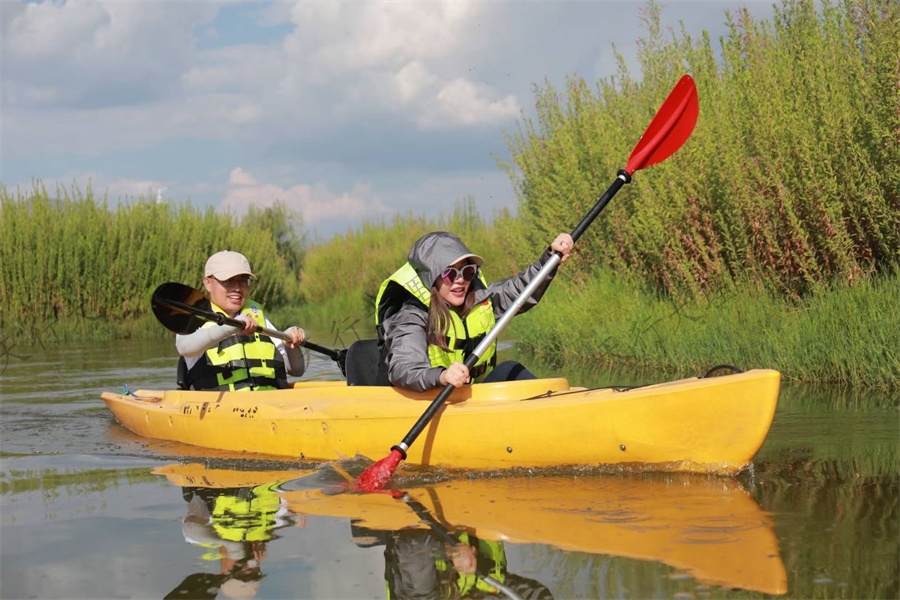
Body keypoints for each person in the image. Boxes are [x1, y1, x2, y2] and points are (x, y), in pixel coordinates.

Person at [374, 231, 573, 392]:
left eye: (467, 271)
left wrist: (550, 258)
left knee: (510, 369)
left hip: (466, 399)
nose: (461, 280)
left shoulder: (480, 301)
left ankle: (555, 412)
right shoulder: (412, 316)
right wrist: (442, 376)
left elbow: (521, 290)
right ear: (431, 278)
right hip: (427, 400)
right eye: (450, 273)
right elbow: (404, 369)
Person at [176, 250, 306, 391]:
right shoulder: (194, 321)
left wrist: (290, 344)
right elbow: (184, 348)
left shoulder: (258, 318)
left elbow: (296, 371)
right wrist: (232, 326)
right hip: (220, 409)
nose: (237, 288)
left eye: (243, 280)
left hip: (270, 404)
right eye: (228, 280)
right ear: (207, 283)